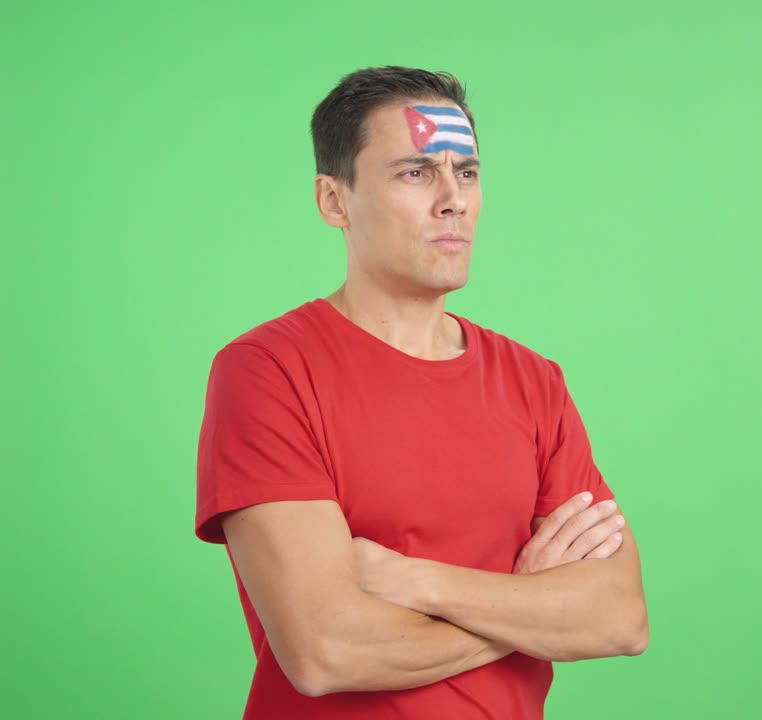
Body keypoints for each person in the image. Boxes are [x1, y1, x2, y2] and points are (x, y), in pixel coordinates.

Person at [194, 65, 648, 719]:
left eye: (466, 171)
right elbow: (326, 651)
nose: (453, 199)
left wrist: (418, 582)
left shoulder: (533, 381)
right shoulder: (267, 371)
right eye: (415, 172)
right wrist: (528, 606)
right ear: (334, 200)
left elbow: (619, 616)